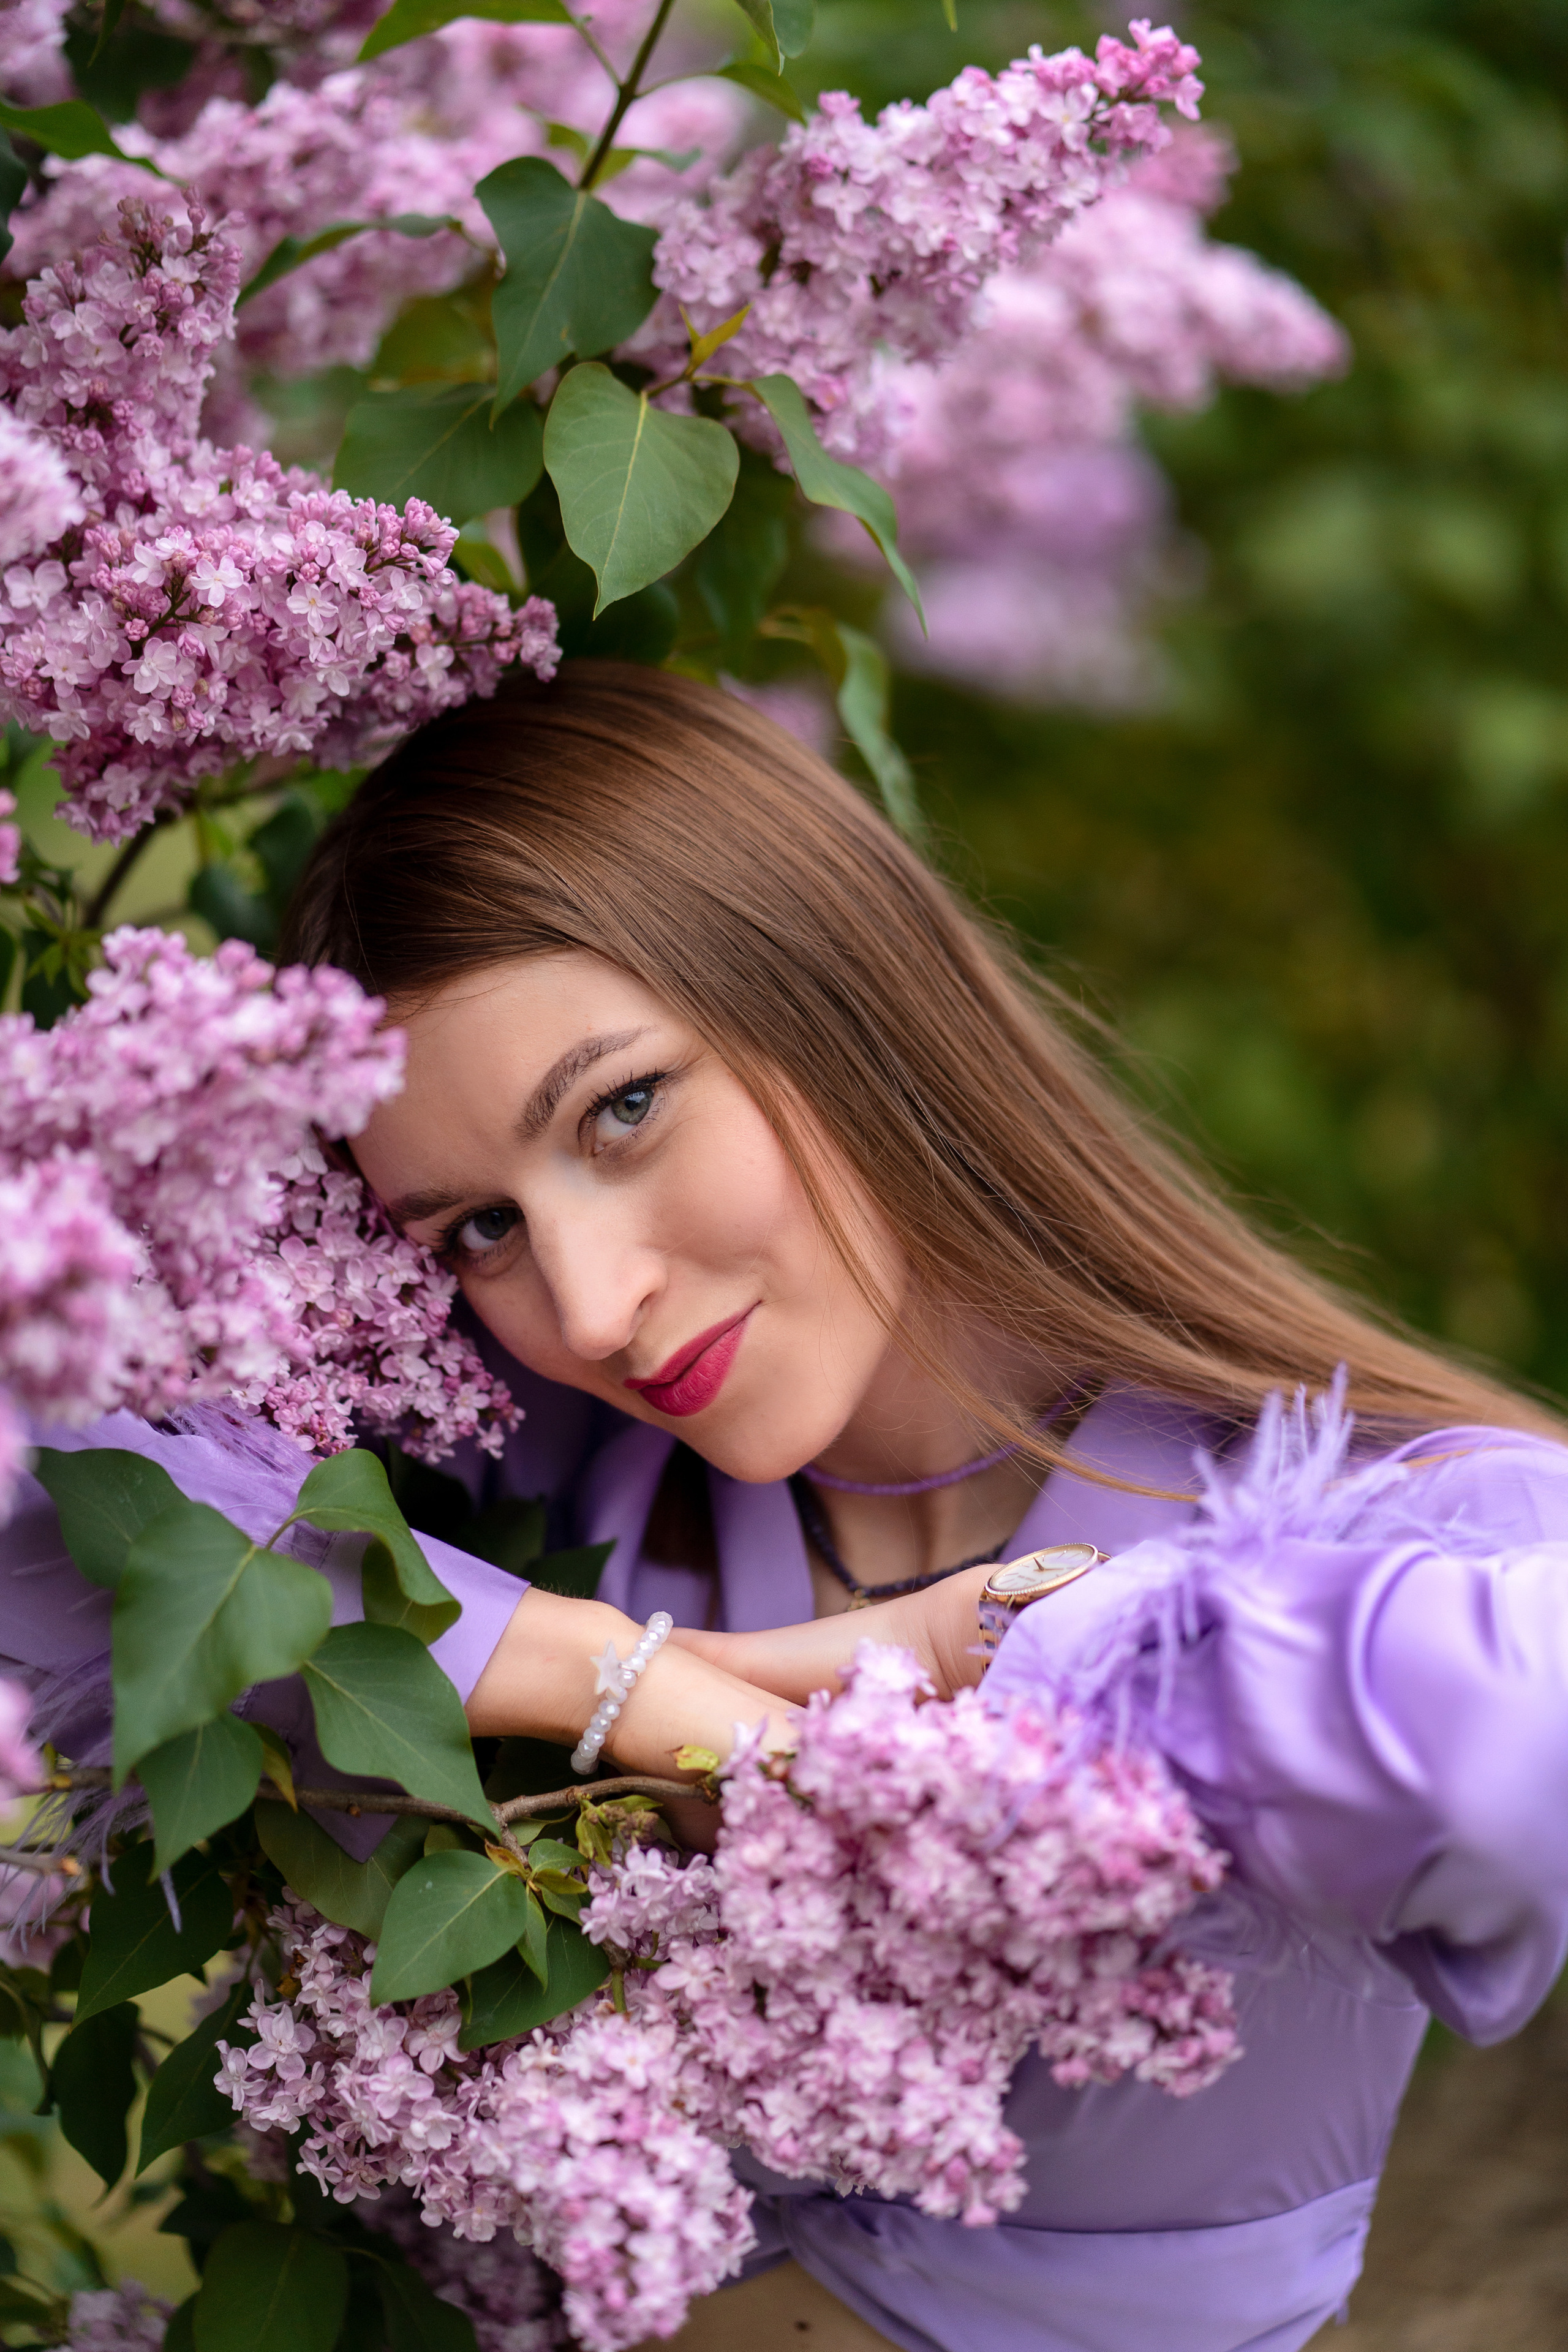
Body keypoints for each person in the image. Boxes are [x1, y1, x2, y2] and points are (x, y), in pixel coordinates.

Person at [8, 662, 1568, 2352]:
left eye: (623, 1108)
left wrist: (1022, 1672)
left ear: (840, 997)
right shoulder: (539, 1470)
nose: (590, 1307)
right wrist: (611, 1675)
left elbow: (1503, 1751)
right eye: (473, 1229)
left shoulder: (1402, 1520)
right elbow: (56, 1504)